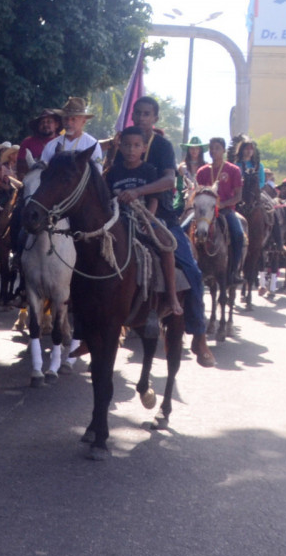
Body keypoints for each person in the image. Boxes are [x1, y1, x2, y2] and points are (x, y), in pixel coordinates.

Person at [127, 96, 215, 366]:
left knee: (193, 271)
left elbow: (167, 180)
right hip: (122, 212)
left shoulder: (163, 146)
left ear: (155, 118)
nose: (142, 118)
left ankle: (198, 334)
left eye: (147, 114)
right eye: (138, 113)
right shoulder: (124, 140)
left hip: (162, 216)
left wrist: (138, 191)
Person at [105, 126, 183, 316]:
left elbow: (154, 198)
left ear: (144, 149)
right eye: (127, 145)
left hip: (144, 218)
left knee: (166, 244)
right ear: (120, 147)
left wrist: (147, 220)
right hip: (118, 221)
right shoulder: (113, 172)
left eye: (136, 145)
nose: (131, 150)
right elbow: (106, 200)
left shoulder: (149, 170)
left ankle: (171, 296)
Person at [195, 137, 245, 283]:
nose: (213, 151)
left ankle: (234, 271)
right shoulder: (202, 171)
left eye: (217, 148)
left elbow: (238, 196)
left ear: (223, 150)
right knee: (183, 228)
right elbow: (197, 193)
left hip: (225, 211)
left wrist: (223, 205)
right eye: (211, 148)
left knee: (238, 234)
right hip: (204, 212)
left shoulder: (233, 170)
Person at [41, 97, 102, 165]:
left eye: (73, 119)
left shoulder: (92, 145)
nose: (69, 123)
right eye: (66, 119)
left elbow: (98, 172)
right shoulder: (51, 146)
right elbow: (41, 172)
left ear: (83, 121)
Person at [17, 108, 63, 178]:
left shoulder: (63, 141)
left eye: (49, 121)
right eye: (42, 122)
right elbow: (20, 170)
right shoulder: (28, 142)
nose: (45, 124)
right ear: (38, 126)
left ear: (56, 125)